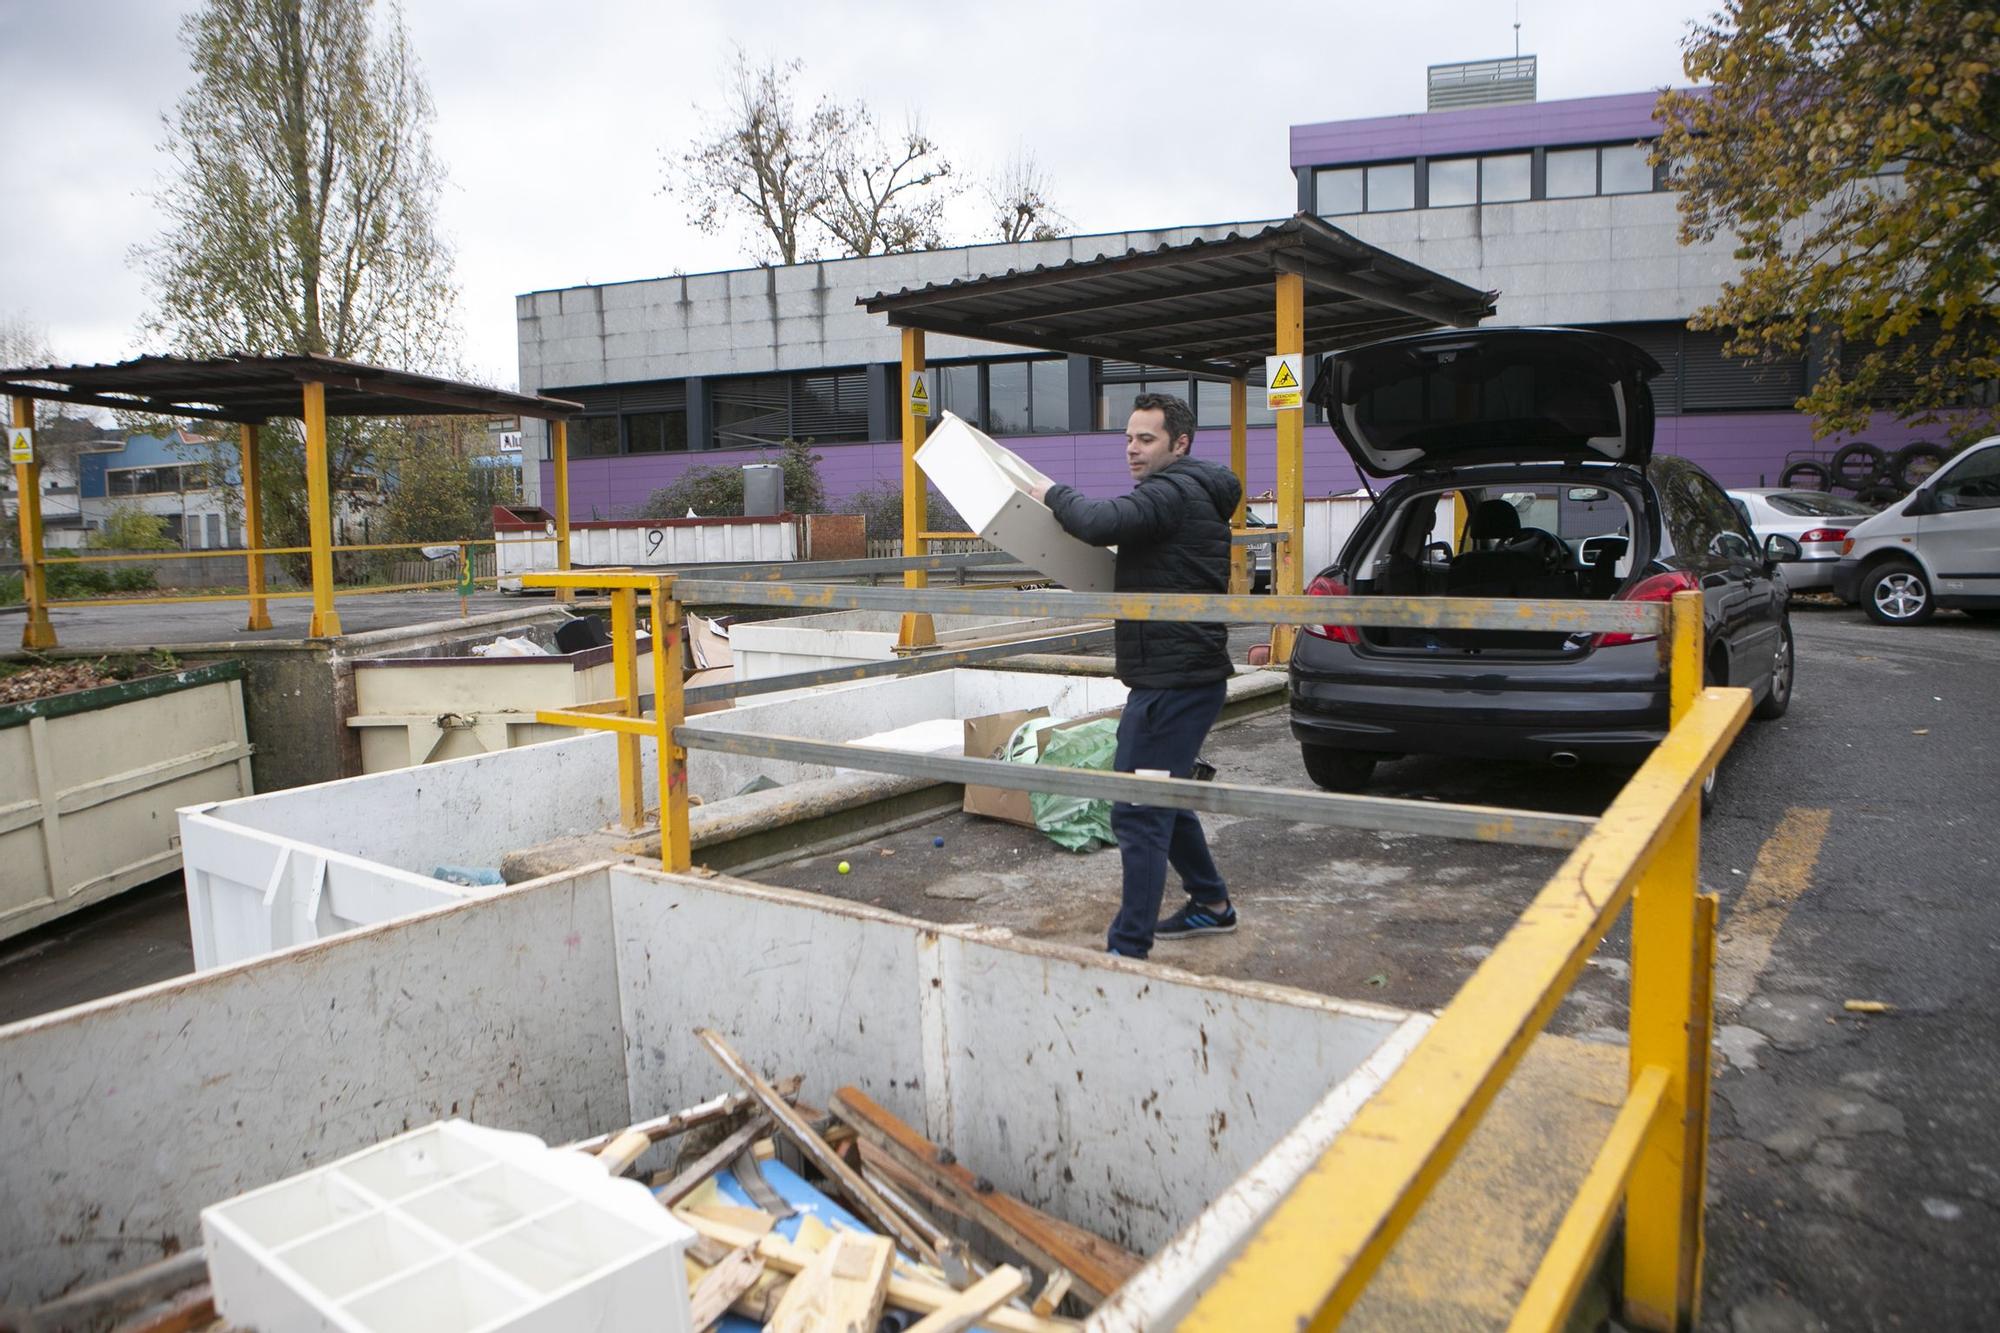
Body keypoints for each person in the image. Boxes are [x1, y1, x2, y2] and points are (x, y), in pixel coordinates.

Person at [1027, 393, 1241, 958]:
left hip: (1175, 681)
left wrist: (1049, 493)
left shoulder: (1171, 493)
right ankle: (1212, 904)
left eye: (1146, 439)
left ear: (1180, 444)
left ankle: (1127, 950)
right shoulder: (1189, 492)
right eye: (1128, 438)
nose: (1132, 449)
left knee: (1138, 808)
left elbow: (1098, 523)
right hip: (1177, 675)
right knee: (1160, 797)